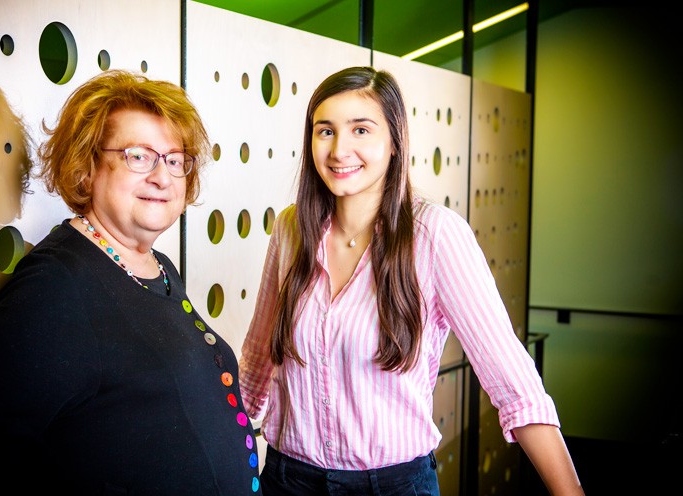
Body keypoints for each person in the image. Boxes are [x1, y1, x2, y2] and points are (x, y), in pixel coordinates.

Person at [239, 66, 584, 495]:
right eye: (324, 131)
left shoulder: (435, 235)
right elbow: (258, 355)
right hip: (287, 479)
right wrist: (229, 438)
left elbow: (514, 383)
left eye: (361, 129)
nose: (339, 149)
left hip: (392, 485)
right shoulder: (292, 230)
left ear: (394, 142)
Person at [0, 70, 262, 495]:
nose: (162, 177)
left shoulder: (158, 265)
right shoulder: (56, 286)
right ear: (86, 166)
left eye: (174, 160)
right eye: (138, 156)